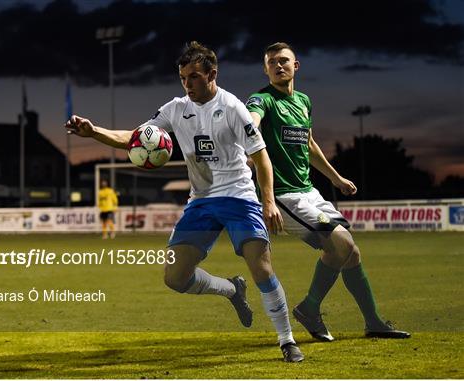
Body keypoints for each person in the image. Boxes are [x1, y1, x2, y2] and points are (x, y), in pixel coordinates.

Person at [65, 41, 304, 362]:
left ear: (212, 74)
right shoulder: (176, 109)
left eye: (193, 77)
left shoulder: (232, 107)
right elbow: (135, 137)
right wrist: (94, 132)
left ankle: (287, 340)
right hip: (202, 201)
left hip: (238, 197)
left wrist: (268, 201)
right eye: (182, 78)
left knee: (260, 266)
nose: (187, 84)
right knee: (175, 278)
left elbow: (261, 158)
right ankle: (232, 290)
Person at [246, 42, 411, 341]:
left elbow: (308, 145)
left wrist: (336, 178)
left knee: (351, 253)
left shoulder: (304, 102)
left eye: (284, 61)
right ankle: (309, 308)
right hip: (286, 197)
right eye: (272, 62)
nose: (278, 66)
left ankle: (373, 322)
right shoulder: (262, 100)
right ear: (266, 69)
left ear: (296, 66)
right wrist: (250, 129)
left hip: (310, 193)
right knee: (340, 242)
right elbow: (252, 123)